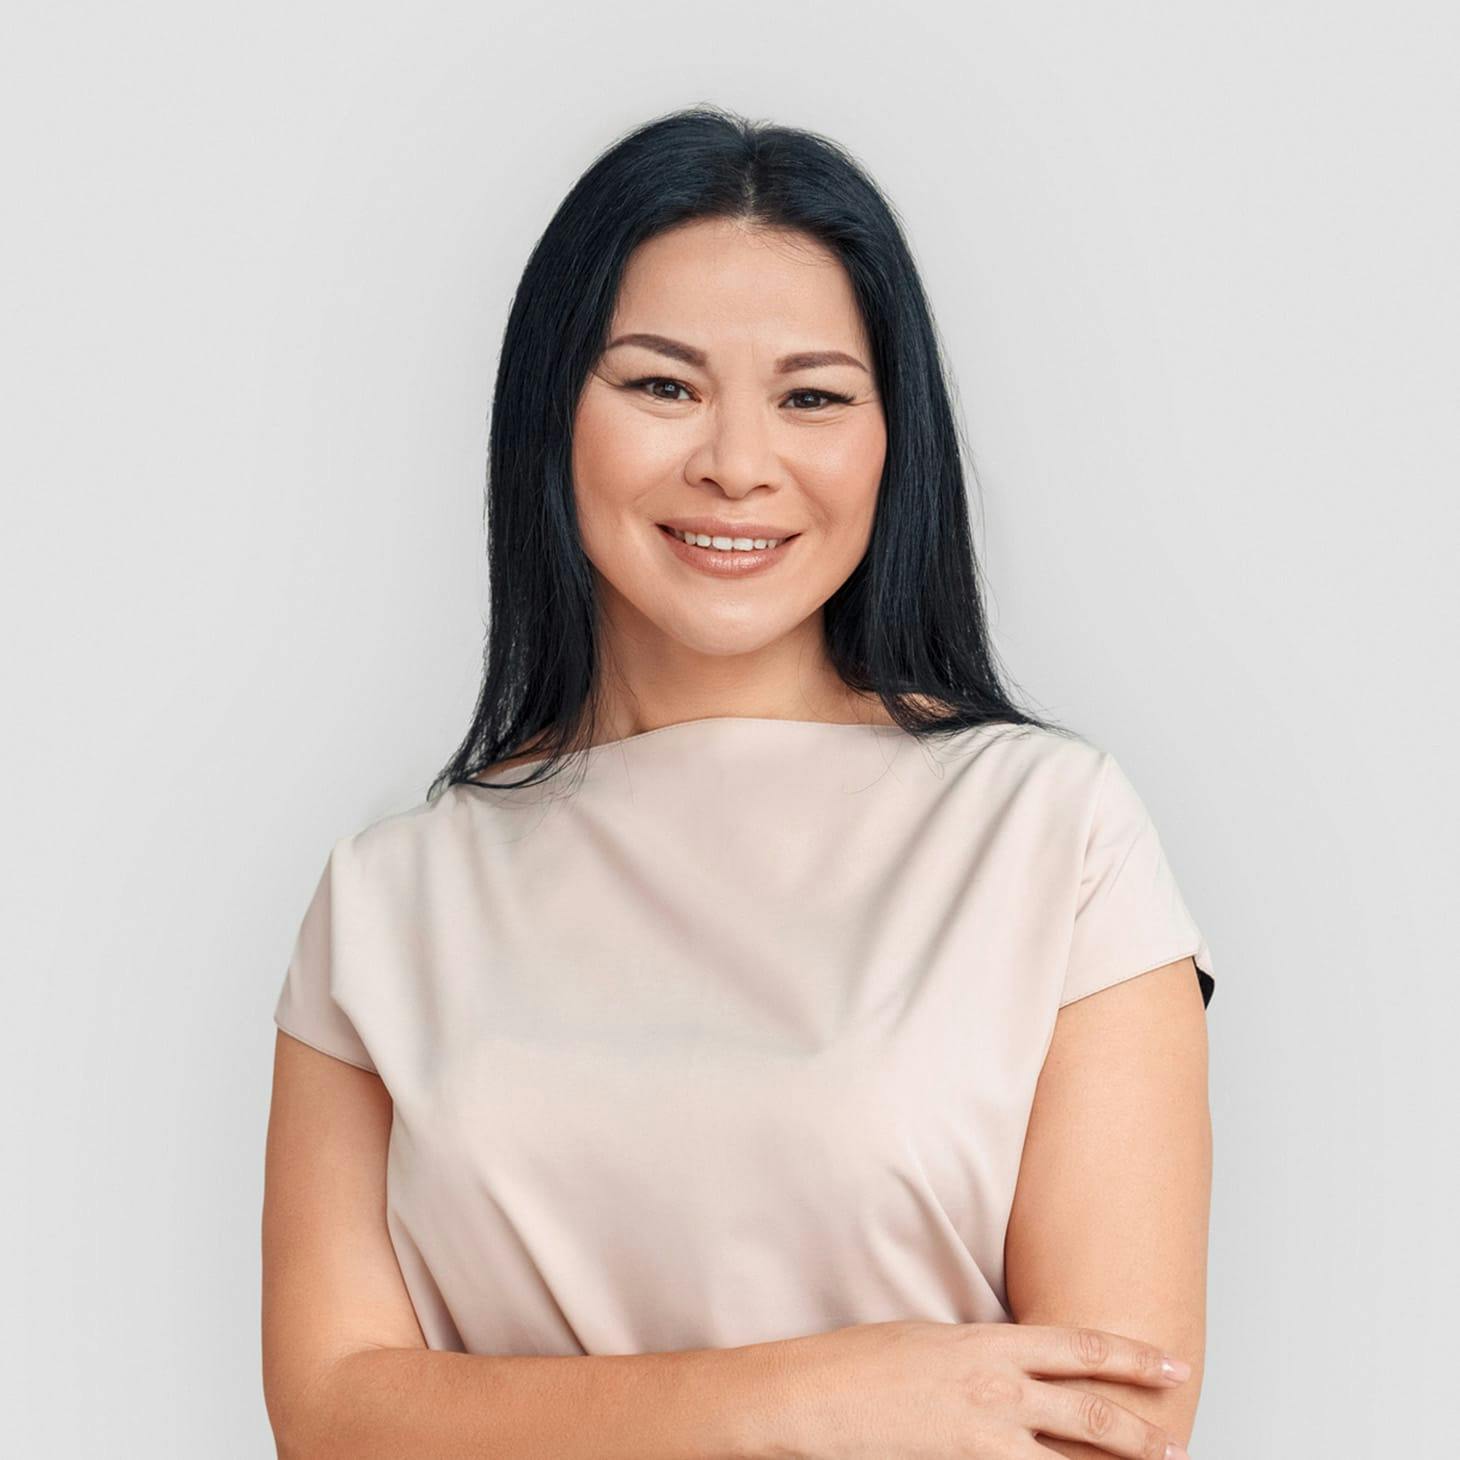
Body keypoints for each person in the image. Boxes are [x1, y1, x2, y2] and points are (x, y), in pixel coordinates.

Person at [262, 104, 1216, 1460]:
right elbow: (335, 1414)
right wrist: (812, 1402)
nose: (737, 463)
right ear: (552, 413)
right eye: (663, 385)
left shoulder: (1053, 837)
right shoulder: (387, 900)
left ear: (897, 446)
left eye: (814, 396)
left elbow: (1112, 1425)